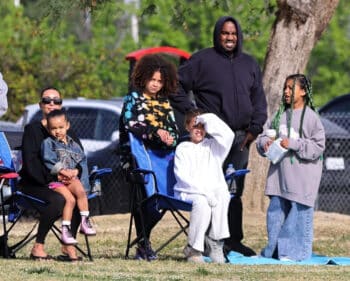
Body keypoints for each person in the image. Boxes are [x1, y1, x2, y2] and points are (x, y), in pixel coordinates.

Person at [169, 16, 267, 256]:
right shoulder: (202, 61)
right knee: (209, 188)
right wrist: (192, 111)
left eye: (233, 34)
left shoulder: (249, 63)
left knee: (233, 191)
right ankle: (202, 242)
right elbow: (175, 85)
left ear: (239, 36)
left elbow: (259, 99)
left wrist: (254, 129)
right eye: (225, 33)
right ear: (217, 34)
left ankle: (231, 240)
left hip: (242, 138)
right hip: (212, 140)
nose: (229, 37)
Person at [256, 74, 325, 261]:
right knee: (276, 216)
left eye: (290, 88)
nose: (286, 92)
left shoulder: (312, 118)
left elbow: (318, 148)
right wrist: (265, 144)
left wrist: (293, 144)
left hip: (301, 180)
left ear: (303, 91)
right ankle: (275, 252)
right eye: (285, 88)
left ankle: (294, 254)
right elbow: (262, 137)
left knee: (297, 217)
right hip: (278, 177)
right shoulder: (279, 116)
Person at [119, 54, 179, 260]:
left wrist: (171, 138)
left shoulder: (165, 102)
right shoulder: (132, 99)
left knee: (162, 200)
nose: (155, 84)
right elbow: (130, 124)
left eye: (160, 81)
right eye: (152, 79)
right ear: (143, 77)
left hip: (163, 159)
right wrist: (155, 132)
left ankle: (143, 240)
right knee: (143, 199)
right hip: (136, 158)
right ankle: (143, 242)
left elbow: (174, 130)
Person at [19, 87, 83, 261]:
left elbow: (80, 160)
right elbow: (31, 164)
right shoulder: (32, 130)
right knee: (59, 199)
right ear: (41, 105)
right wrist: (55, 178)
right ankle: (38, 247)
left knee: (77, 196)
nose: (52, 104)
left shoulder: (68, 131)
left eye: (57, 101)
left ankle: (67, 245)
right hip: (35, 183)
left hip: (63, 183)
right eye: (47, 100)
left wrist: (76, 171)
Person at [174, 110, 233, 263]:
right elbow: (183, 177)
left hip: (211, 192)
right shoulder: (183, 148)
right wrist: (205, 193)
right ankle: (193, 249)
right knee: (202, 203)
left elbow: (229, 135)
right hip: (188, 191)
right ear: (187, 127)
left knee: (223, 195)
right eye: (195, 126)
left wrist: (208, 119)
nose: (199, 130)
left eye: (202, 126)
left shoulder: (214, 147)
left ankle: (215, 243)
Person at [41, 109, 96, 245]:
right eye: (53, 128)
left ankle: (84, 221)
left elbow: (81, 162)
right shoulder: (48, 143)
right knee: (70, 200)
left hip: (71, 180)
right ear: (48, 129)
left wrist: (76, 172)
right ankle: (65, 230)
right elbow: (49, 161)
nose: (57, 131)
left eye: (60, 127)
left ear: (67, 126)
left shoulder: (74, 145)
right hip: (57, 182)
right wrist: (64, 172)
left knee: (81, 191)